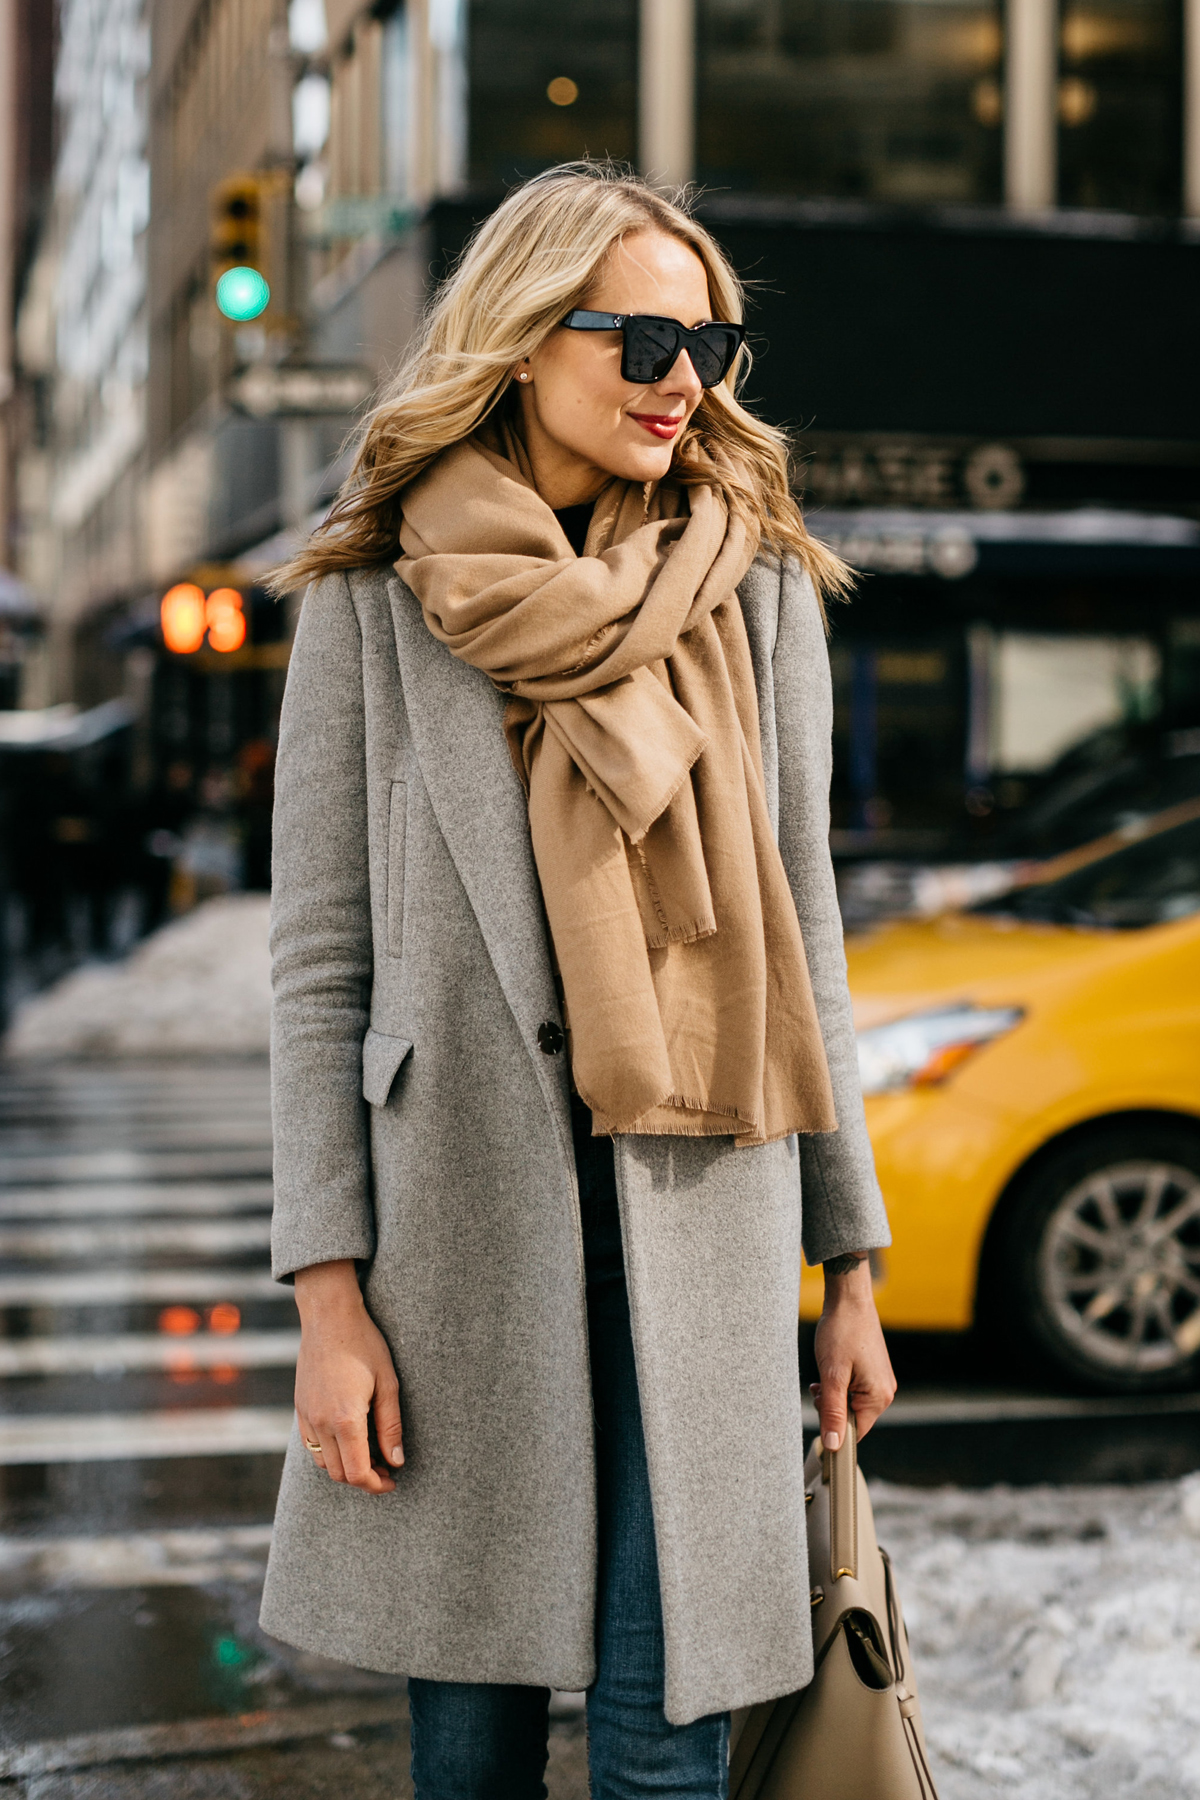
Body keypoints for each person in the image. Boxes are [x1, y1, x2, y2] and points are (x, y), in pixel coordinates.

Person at [260, 162, 896, 1800]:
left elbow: (802, 925)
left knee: (661, 1740)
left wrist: (851, 1265)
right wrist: (328, 1298)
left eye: (709, 344)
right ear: (525, 338)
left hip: (704, 1215)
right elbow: (321, 965)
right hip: (455, 1247)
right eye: (639, 337)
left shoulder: (754, 590)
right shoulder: (372, 598)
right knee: (466, 1747)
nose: (683, 379)